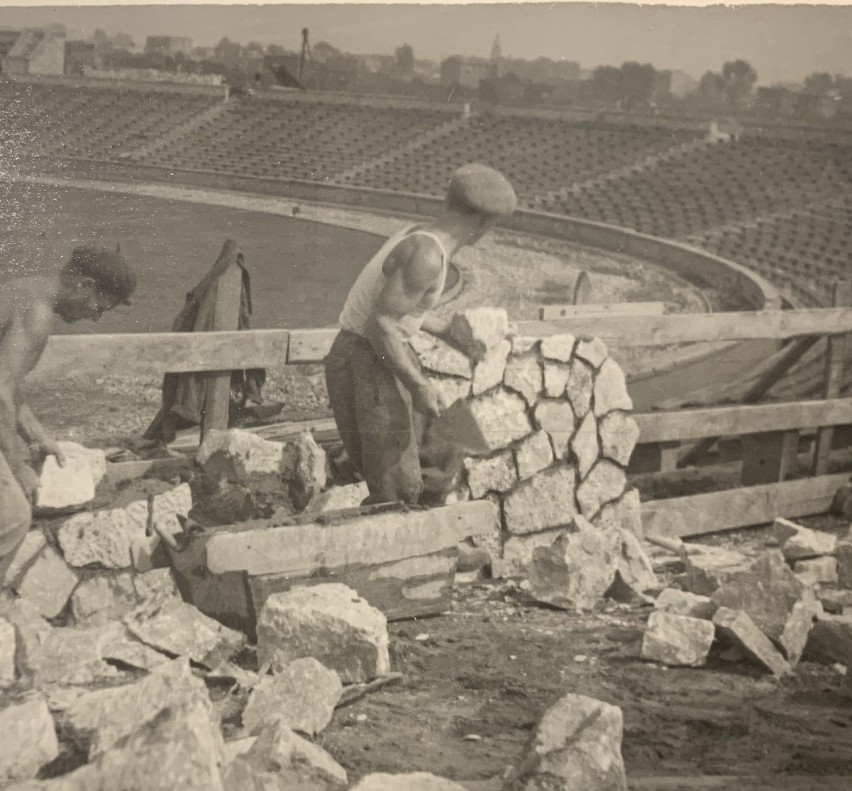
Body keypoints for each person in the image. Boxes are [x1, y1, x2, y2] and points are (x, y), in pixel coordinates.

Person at [324, 163, 517, 506]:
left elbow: (397, 310)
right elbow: (379, 324)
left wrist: (446, 332)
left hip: (366, 351)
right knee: (397, 484)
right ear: (484, 224)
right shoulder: (428, 256)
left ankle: (430, 536)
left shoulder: (416, 234)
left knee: (432, 456)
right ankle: (404, 552)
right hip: (370, 359)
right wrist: (419, 385)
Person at [0, 245, 136, 584]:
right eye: (99, 306)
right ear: (85, 285)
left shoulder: (27, 290)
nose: (96, 317)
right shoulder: (38, 313)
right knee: (14, 517)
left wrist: (37, 433)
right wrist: (17, 465)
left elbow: (8, 383)